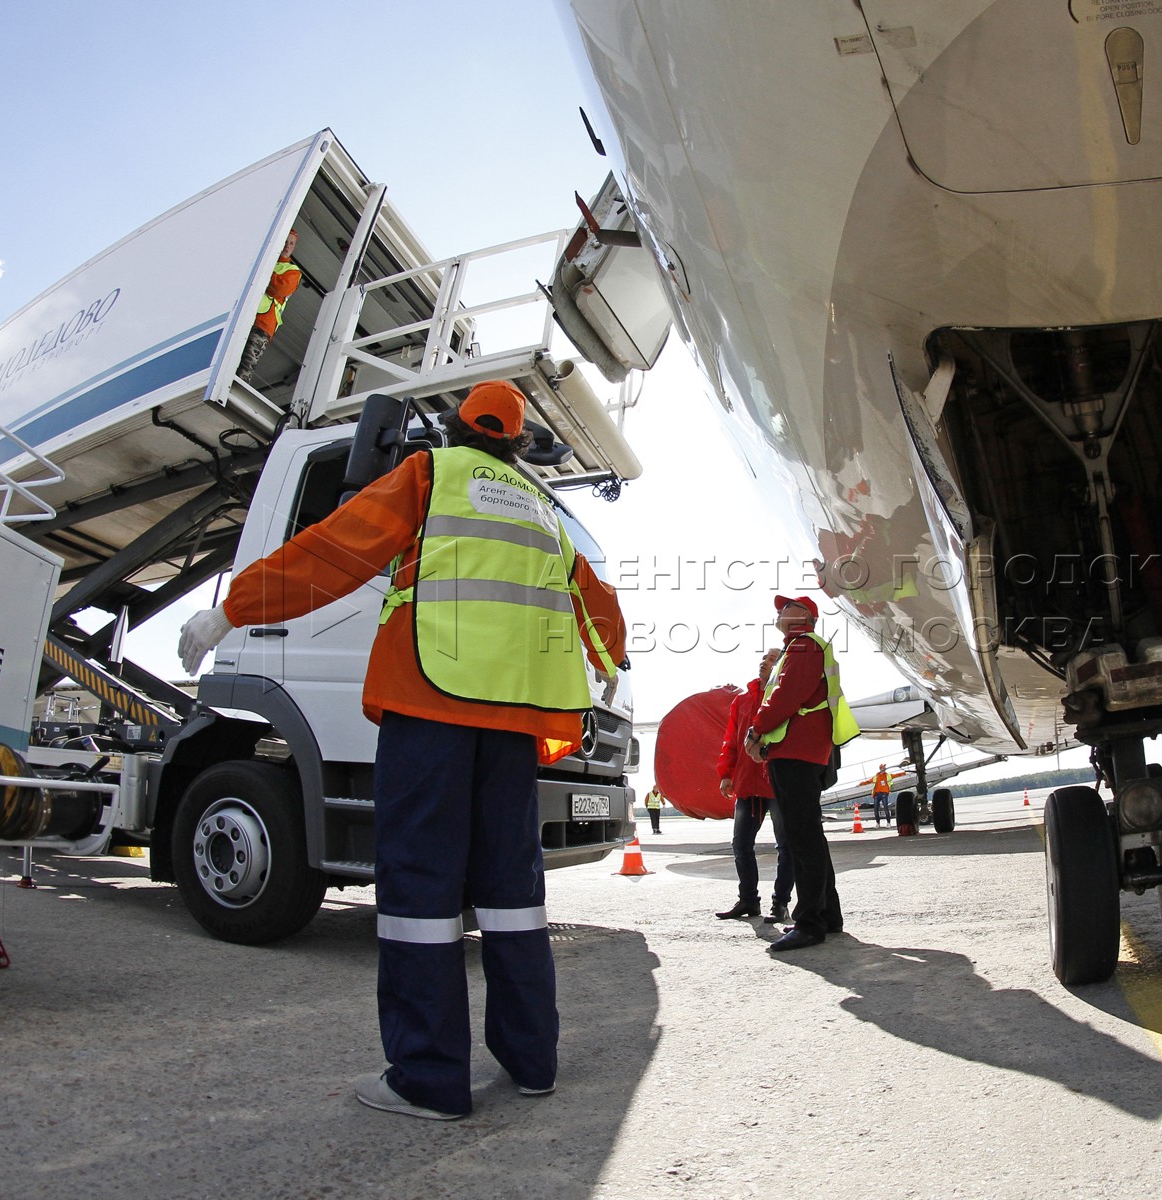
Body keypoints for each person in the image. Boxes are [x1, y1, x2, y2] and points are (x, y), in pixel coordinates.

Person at [176, 379, 626, 1121]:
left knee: (421, 891)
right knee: (513, 897)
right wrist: (606, 675)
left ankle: (429, 1079)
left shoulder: (431, 477)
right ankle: (533, 1062)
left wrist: (233, 609)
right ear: (514, 444)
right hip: (515, 731)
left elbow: (332, 553)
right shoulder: (546, 515)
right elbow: (603, 620)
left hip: (431, 704)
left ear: (455, 431)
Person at [746, 595, 858, 952]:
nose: (779, 612)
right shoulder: (806, 648)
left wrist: (755, 730)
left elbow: (783, 697)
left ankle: (809, 923)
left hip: (796, 753)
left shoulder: (803, 647)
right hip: (803, 751)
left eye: (787, 607)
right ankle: (829, 915)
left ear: (805, 617)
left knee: (801, 838)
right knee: (810, 836)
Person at [714, 647, 794, 924]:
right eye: (763, 658)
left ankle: (781, 903)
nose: (763, 662)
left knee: (786, 845)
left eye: (771, 659)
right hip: (747, 783)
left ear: (782, 666)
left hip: (778, 781)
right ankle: (748, 901)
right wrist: (726, 773)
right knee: (741, 845)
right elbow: (731, 740)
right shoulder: (742, 701)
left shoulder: (786, 696)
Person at [237, 228, 302, 381]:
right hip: (245, 317)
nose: (287, 246)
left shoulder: (293, 270)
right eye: (285, 242)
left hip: (264, 324)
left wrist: (264, 271)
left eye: (291, 243)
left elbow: (280, 289)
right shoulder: (268, 261)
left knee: (247, 365)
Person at [870, 762, 893, 826]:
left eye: (885, 767)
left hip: (884, 793)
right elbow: (869, 781)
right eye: (883, 767)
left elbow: (896, 775)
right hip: (877, 794)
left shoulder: (887, 775)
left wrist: (904, 773)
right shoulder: (876, 776)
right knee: (876, 809)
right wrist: (861, 783)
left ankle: (888, 823)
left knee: (886, 808)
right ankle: (878, 823)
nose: (885, 768)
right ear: (881, 768)